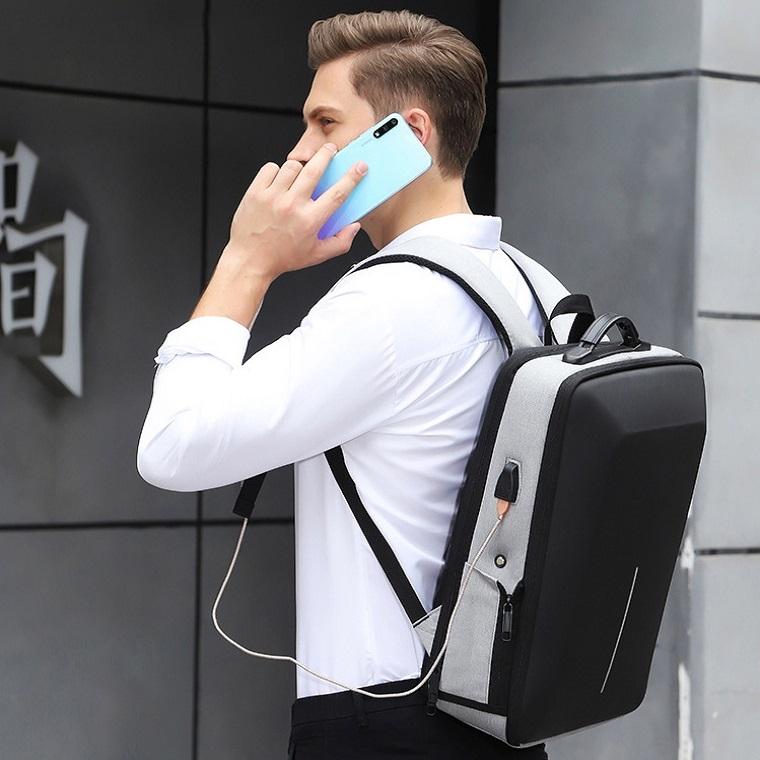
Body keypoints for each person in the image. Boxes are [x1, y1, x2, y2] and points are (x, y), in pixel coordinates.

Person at [137, 9, 554, 759]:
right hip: (496, 719)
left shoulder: (388, 303)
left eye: (325, 123)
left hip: (381, 725)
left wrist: (247, 262)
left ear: (412, 136)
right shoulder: (535, 285)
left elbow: (172, 448)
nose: (300, 153)